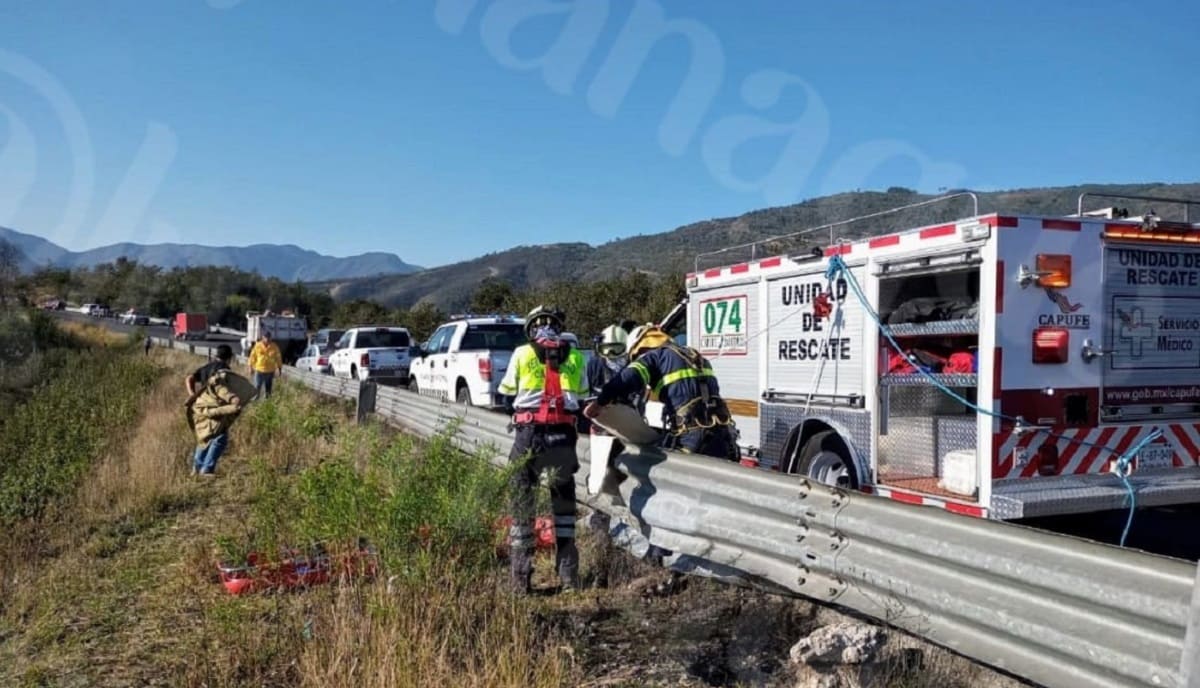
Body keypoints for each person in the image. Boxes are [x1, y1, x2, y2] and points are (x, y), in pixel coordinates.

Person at [497, 305, 587, 594]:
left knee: (522, 506)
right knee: (563, 505)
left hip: (529, 435)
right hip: (563, 436)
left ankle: (520, 584)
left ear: (531, 330)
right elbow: (583, 397)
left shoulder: (522, 354)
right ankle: (569, 578)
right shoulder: (575, 356)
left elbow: (507, 391)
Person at [585, 323, 738, 461]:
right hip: (724, 437)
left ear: (639, 348)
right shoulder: (696, 357)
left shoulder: (654, 357)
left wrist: (599, 404)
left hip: (692, 439)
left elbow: (625, 380)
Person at [185, 344, 251, 476]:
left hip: (202, 408)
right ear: (230, 357)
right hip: (217, 409)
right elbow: (221, 389)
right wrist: (233, 400)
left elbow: (189, 378)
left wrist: (193, 396)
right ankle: (206, 469)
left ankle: (196, 469)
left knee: (204, 437)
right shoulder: (224, 371)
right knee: (220, 437)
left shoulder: (207, 367)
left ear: (216, 355)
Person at [247, 330, 282, 399]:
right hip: (259, 370)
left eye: (269, 337)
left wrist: (279, 368)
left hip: (270, 371)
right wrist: (250, 367)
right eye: (266, 337)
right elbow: (252, 357)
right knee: (257, 386)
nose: (268, 339)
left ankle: (267, 402)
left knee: (268, 388)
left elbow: (278, 358)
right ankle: (255, 401)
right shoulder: (257, 346)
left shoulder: (274, 347)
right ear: (262, 337)